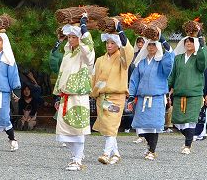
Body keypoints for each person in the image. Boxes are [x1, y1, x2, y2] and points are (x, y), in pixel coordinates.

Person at [54, 16, 95, 171]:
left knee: (78, 129)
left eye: (74, 37)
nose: (70, 40)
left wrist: (84, 27)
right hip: (65, 96)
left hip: (78, 95)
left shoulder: (85, 54)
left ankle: (77, 159)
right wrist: (58, 95)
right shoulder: (67, 52)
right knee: (64, 131)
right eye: (69, 37)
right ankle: (77, 155)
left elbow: (89, 48)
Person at [91, 19, 134, 164]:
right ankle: (116, 153)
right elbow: (94, 78)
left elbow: (128, 53)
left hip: (116, 96)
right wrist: (93, 93)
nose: (109, 45)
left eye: (112, 43)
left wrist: (121, 31)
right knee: (107, 127)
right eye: (107, 43)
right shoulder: (99, 60)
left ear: (118, 44)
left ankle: (105, 153)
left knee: (112, 124)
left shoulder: (122, 59)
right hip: (101, 97)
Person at [128, 27, 174, 160]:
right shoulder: (141, 63)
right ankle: (149, 147)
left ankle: (152, 150)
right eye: (149, 44)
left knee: (153, 126)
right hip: (142, 98)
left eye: (154, 44)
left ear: (158, 46)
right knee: (143, 127)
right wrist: (132, 95)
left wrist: (163, 40)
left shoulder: (162, 62)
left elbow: (170, 57)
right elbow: (134, 79)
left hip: (156, 98)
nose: (151, 47)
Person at [169, 29, 207, 155]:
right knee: (178, 121)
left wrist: (202, 46)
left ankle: (188, 144)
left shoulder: (198, 58)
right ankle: (189, 138)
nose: (188, 43)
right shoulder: (178, 58)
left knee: (190, 120)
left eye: (191, 41)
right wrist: (168, 88)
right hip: (179, 93)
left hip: (194, 93)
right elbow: (173, 75)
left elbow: (203, 63)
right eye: (187, 41)